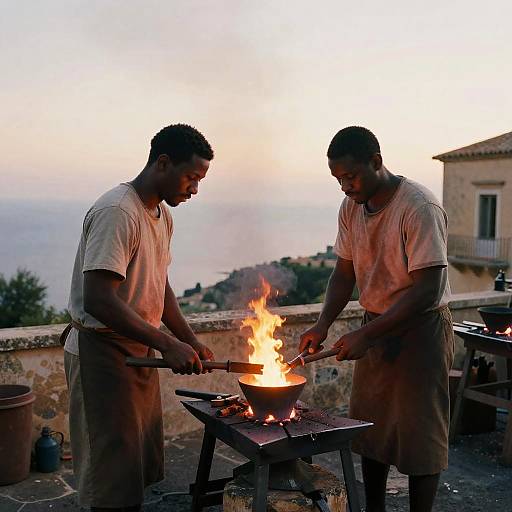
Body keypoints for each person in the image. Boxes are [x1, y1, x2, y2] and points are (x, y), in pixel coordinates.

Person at [299, 126, 454, 512]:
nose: (344, 187)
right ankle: (374, 508)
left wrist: (367, 334)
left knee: (421, 436)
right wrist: (323, 324)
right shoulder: (350, 208)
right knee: (370, 429)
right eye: (338, 179)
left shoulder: (418, 206)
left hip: (421, 332)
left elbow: (427, 290)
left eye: (350, 177)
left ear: (377, 162)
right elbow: (344, 274)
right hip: (375, 325)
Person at [62, 124, 215, 512]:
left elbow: (159, 285)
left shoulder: (162, 215)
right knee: (109, 475)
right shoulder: (118, 211)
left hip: (137, 351)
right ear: (163, 163)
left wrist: (190, 339)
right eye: (191, 177)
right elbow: (98, 299)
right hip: (102, 355)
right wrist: (166, 343)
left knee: (131, 468)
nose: (194, 189)